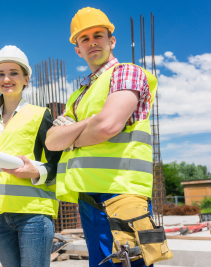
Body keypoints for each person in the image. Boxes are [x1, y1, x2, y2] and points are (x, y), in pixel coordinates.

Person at [46, 7, 172, 267]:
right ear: (77, 49)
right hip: (89, 199)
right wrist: (90, 122)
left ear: (111, 41)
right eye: (84, 38)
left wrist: (73, 134)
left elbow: (108, 125)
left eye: (98, 35)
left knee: (129, 263)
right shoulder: (79, 95)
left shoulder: (126, 73)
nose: (92, 42)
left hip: (122, 194)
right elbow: (51, 141)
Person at [0, 45, 62, 267]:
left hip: (32, 212)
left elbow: (56, 163)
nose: (6, 78)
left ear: (26, 79)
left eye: (13, 73)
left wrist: (36, 171)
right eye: (1, 74)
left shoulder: (40, 115)